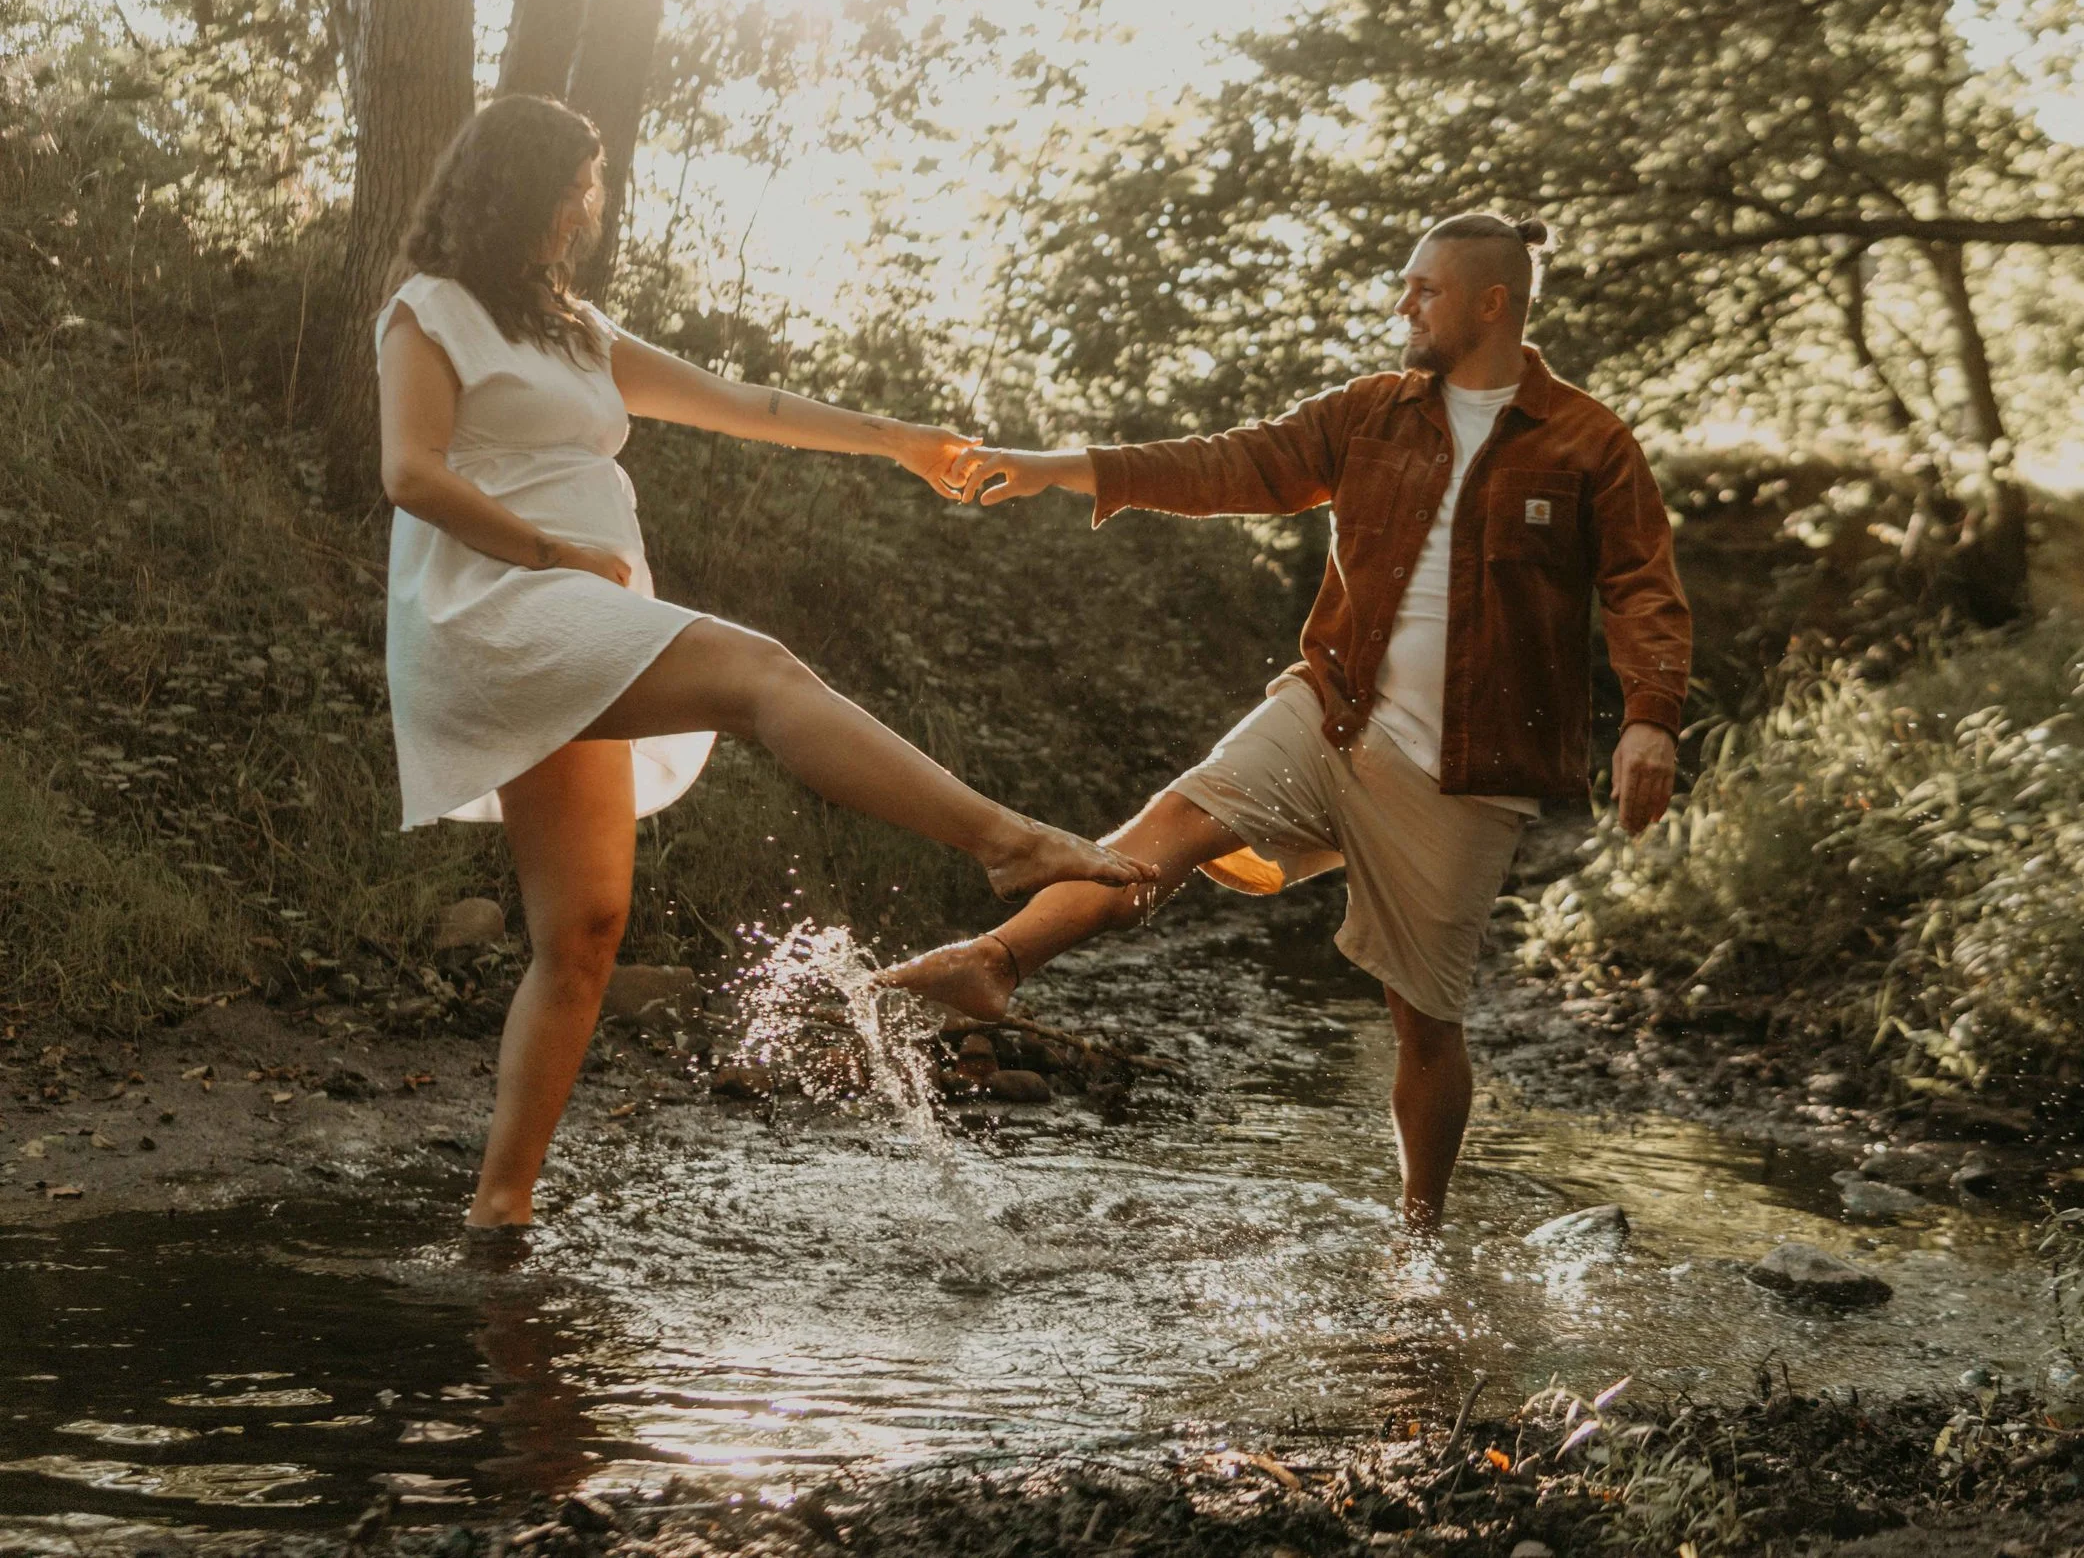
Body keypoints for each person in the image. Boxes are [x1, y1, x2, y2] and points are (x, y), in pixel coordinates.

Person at [374, 95, 1151, 1234]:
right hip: (496, 608)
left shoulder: (572, 326)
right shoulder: (428, 311)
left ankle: (501, 1209)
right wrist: (552, 548)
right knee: (762, 673)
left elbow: (746, 404)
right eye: (574, 184)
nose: (588, 206)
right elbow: (409, 472)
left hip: (578, 617)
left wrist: (897, 440)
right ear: (514, 186)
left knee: (584, 931)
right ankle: (1002, 840)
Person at [886, 212, 1692, 1227]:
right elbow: (1233, 462)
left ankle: (1419, 1233)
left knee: (1426, 1025)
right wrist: (1066, 465)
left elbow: (1641, 586)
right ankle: (997, 961)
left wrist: (1649, 718)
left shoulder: (1589, 441)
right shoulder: (1371, 412)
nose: (1403, 305)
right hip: (1333, 709)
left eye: (1424, 289)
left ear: (1492, 302)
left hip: (1468, 770)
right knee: (1163, 834)